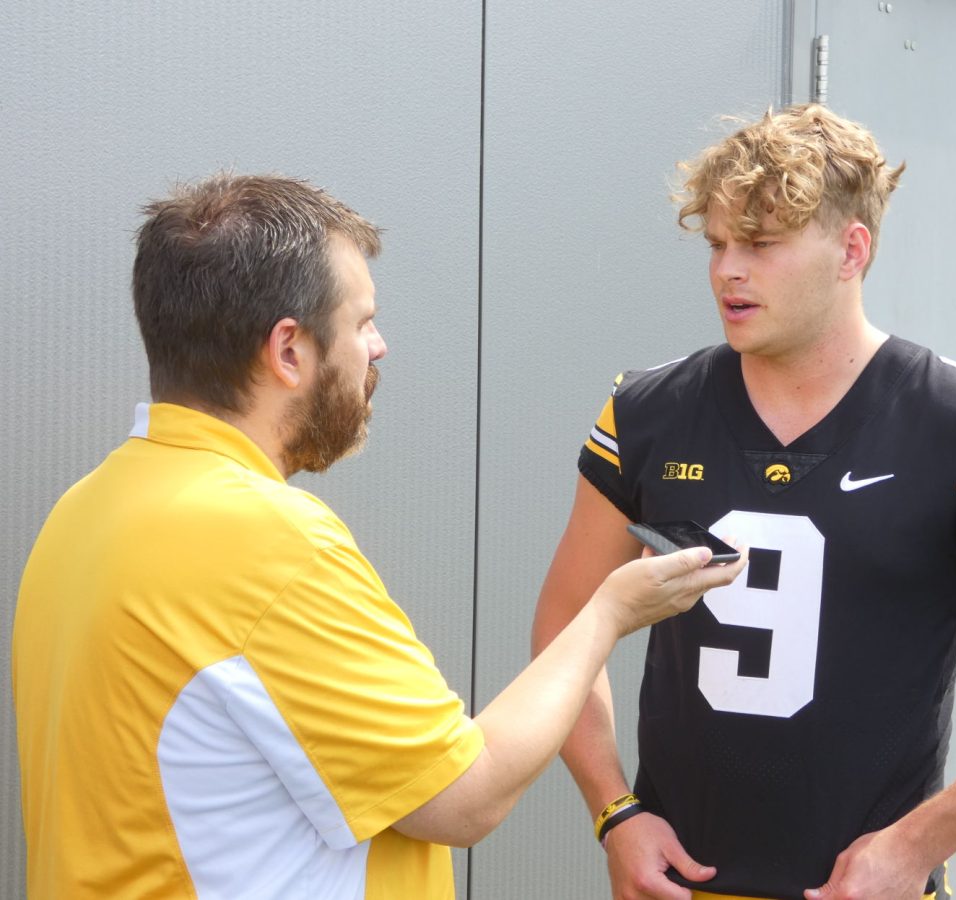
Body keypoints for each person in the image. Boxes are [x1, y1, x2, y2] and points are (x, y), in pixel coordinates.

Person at [11, 173, 747, 899]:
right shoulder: (268, 543)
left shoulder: (86, 510)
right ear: (289, 351)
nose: (379, 347)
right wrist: (610, 612)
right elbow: (466, 797)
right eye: (361, 322)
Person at [532, 105, 956, 900]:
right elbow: (564, 625)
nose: (727, 270)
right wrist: (614, 810)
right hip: (679, 885)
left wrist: (920, 843)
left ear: (852, 249)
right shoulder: (647, 412)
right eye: (718, 244)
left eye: (761, 244)